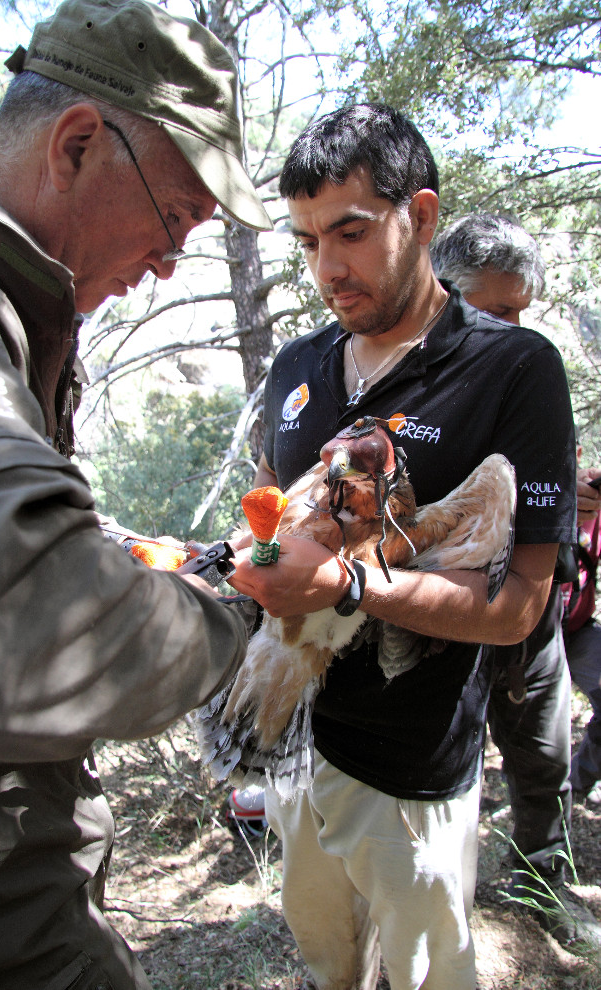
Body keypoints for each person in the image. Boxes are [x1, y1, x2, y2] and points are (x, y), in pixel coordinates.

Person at [0, 1, 273, 987]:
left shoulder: (5, 313)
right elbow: (33, 615)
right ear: (79, 143)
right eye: (177, 218)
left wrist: (116, 551)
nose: (172, 262)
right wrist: (238, 608)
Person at [227, 104, 577, 990]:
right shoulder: (298, 368)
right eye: (308, 243)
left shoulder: (513, 369)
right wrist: (245, 560)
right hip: (298, 745)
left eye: (350, 232)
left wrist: (348, 584)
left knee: (425, 976)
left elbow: (518, 609)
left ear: (419, 216)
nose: (327, 270)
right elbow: (268, 526)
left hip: (414, 772)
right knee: (326, 964)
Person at [431, 214, 601, 954]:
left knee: (542, 759)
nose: (513, 328)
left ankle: (542, 885)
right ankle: (439, 911)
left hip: (533, 615)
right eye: (496, 311)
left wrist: (574, 494)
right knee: (442, 775)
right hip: (441, 616)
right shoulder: (407, 376)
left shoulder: (531, 371)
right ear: (445, 292)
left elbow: (543, 476)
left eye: (520, 311)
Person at [566, 443, 601, 805]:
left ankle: (576, 785)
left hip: (576, 632)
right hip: (525, 638)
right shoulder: (526, 494)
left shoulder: (594, 507)